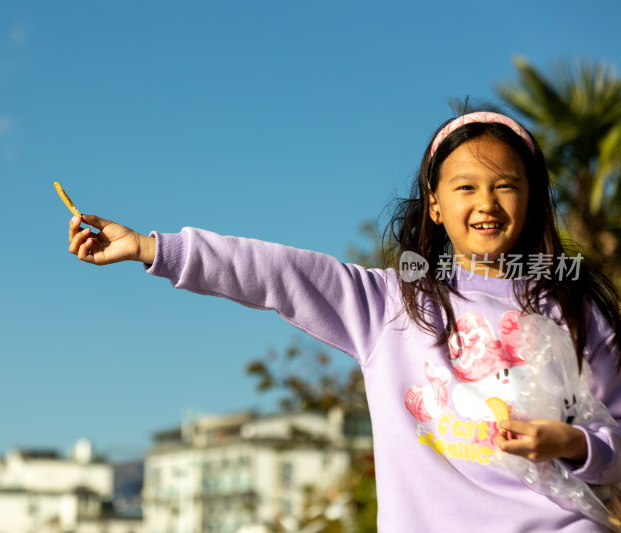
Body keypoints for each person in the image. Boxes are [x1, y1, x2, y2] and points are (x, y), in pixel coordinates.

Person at [65, 111, 621, 532]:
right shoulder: (391, 304)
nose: (487, 203)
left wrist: (573, 443)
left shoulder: (576, 310)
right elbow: (275, 273)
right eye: (466, 186)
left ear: (531, 198)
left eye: (507, 185)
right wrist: (151, 248)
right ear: (434, 204)